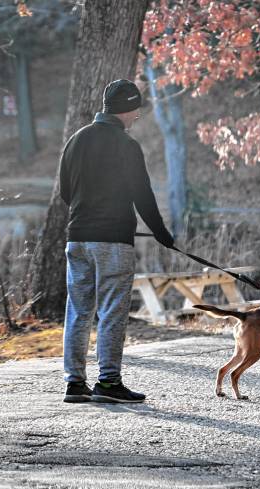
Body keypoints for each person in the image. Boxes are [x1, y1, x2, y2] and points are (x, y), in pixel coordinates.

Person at [59, 79, 175, 404]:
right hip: (112, 242)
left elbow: (66, 192)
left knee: (79, 311)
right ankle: (109, 382)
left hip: (77, 238)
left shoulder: (76, 140)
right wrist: (161, 233)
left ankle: (75, 383)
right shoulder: (126, 146)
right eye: (137, 108)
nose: (138, 114)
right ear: (129, 108)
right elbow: (142, 194)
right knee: (112, 310)